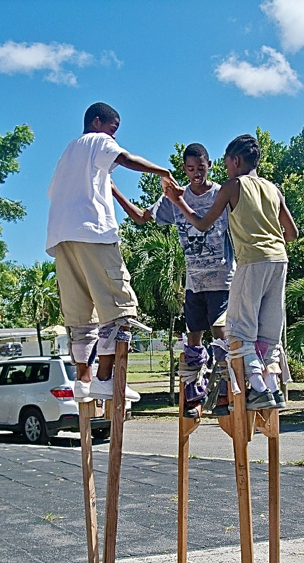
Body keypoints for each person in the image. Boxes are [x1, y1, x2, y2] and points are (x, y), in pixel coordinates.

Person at [46, 102, 176, 403]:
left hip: (62, 237)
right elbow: (125, 158)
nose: (114, 138)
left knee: (80, 316)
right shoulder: (95, 140)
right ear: (97, 122)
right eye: (112, 130)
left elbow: (103, 186)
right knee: (119, 307)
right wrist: (162, 171)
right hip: (93, 232)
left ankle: (83, 382)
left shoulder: (68, 154)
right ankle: (106, 379)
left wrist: (125, 203)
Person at [164, 134, 298, 410]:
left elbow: (202, 224)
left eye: (226, 164)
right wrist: (269, 240)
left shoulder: (232, 186)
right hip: (279, 261)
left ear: (235, 161)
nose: (225, 170)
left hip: (252, 262)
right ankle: (274, 389)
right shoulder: (273, 188)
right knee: (268, 334)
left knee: (237, 330)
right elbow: (292, 233)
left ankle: (258, 390)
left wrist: (179, 202)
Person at [111, 143, 236, 417]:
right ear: (184, 169)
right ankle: (194, 398)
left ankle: (227, 396)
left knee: (221, 340)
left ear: (210, 165)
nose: (196, 174)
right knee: (193, 342)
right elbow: (143, 218)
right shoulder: (173, 197)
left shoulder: (222, 194)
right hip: (195, 282)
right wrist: (113, 190)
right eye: (190, 169)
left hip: (222, 279)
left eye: (201, 168)